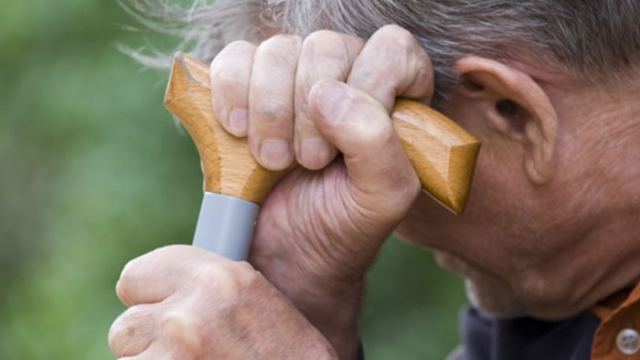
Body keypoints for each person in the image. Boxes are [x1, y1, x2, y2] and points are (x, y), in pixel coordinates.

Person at [109, 1, 640, 359]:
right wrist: (299, 289)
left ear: (512, 113)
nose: (393, 218)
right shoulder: (556, 303)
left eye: (338, 149)